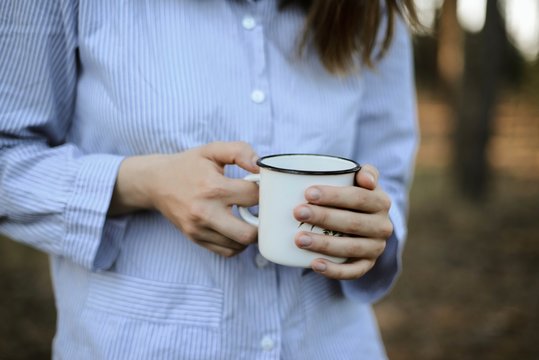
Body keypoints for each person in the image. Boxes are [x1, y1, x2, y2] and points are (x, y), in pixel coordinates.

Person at [0, 0, 418, 359]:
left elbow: (388, 178)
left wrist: (373, 230)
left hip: (334, 343)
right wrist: (142, 182)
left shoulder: (371, 8)